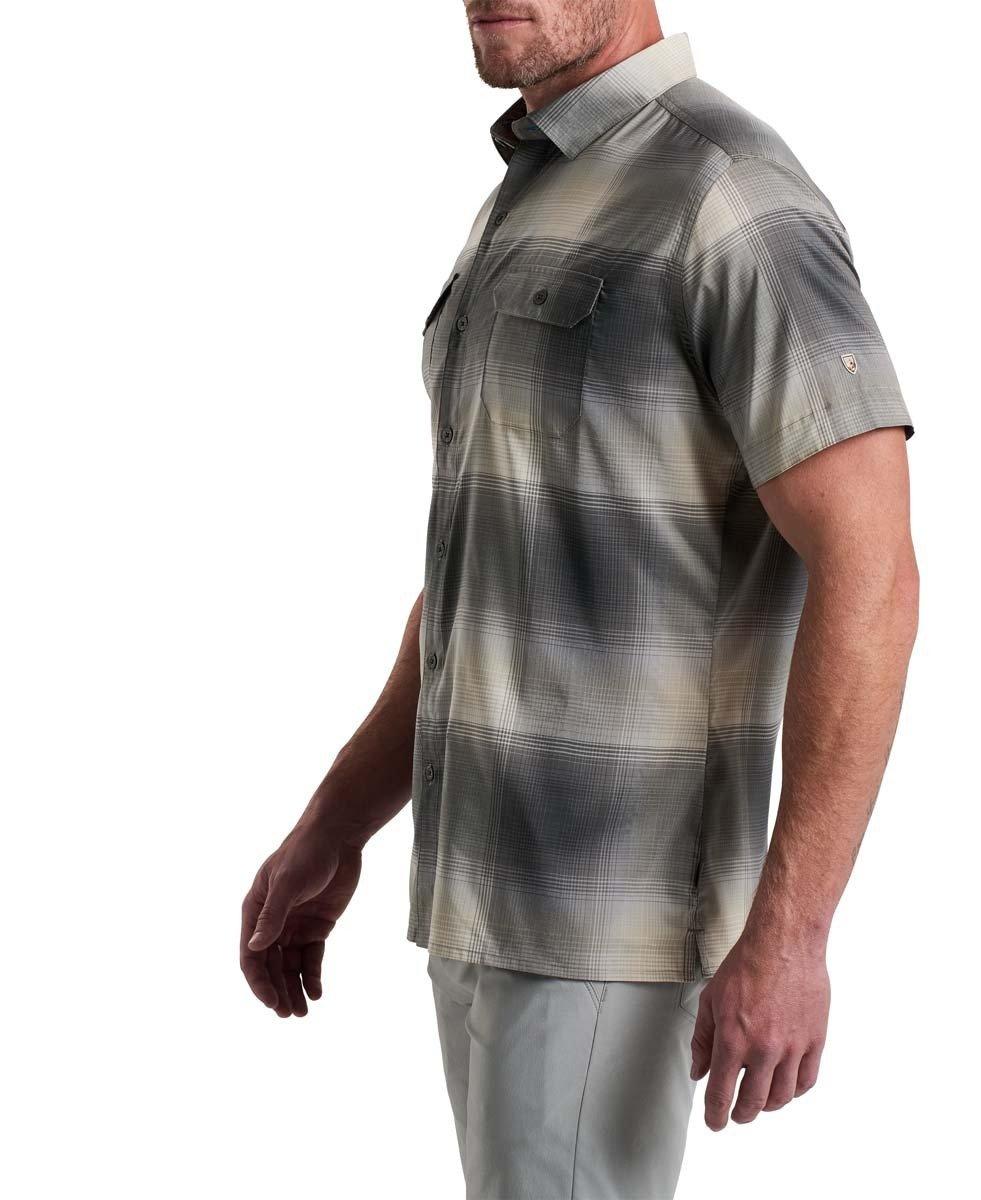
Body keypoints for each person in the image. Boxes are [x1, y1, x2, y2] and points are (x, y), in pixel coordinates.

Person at [239, 2, 919, 1196]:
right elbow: (492, 567)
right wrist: (336, 823)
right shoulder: (530, 193)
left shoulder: (731, 195)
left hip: (610, 918)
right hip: (476, 893)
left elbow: (874, 573)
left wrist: (794, 929)